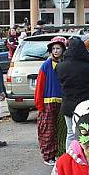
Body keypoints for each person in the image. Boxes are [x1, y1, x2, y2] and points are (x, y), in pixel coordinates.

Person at [55, 36, 89, 148]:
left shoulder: (61, 66)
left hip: (68, 103)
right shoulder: (88, 67)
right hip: (85, 105)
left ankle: (70, 158)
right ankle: (84, 156)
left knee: (71, 133)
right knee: (85, 132)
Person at [34, 36, 67, 165]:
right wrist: (40, 105)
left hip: (62, 101)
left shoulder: (65, 64)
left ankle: (60, 153)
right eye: (53, 48)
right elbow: (40, 86)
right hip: (48, 102)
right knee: (47, 130)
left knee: (60, 130)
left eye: (58, 48)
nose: (56, 51)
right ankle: (48, 155)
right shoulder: (46, 65)